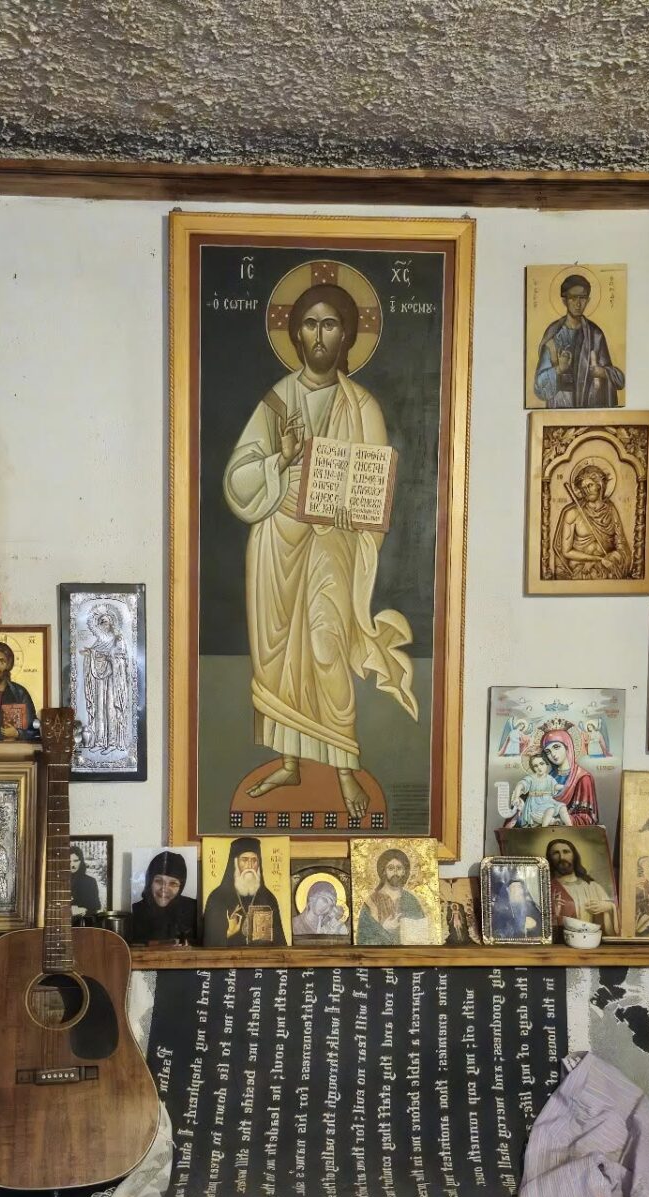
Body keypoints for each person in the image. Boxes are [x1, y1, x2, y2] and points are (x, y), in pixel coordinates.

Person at [224, 278, 416, 821]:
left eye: (330, 324)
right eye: (310, 324)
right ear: (296, 334)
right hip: (276, 542)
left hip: (333, 542)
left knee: (325, 646)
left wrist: (353, 515)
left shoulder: (362, 405)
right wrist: (281, 460)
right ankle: (289, 761)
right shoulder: (275, 400)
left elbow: (375, 484)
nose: (319, 335)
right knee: (279, 659)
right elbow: (238, 479)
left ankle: (345, 767)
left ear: (347, 335)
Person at [534, 273, 625, 407]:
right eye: (573, 298)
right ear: (564, 300)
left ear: (588, 300)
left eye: (582, 298)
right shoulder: (553, 335)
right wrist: (559, 369)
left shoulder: (596, 335)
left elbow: (619, 380)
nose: (578, 303)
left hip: (589, 403)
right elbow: (539, 386)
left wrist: (601, 372)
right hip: (561, 405)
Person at [551, 460, 633, 580]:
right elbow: (566, 552)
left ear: (599, 485)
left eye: (590, 485)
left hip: (608, 563)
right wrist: (597, 559)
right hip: (581, 566)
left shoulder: (611, 510)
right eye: (583, 488)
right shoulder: (573, 513)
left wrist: (613, 556)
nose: (586, 491)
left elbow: (621, 544)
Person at [202, 836, 286, 946]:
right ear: (235, 863)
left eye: (254, 860)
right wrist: (229, 933)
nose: (249, 866)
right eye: (244, 860)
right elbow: (209, 945)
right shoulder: (217, 897)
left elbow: (280, 944)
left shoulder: (268, 898)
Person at [77, 605, 133, 753]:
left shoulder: (118, 639)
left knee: (110, 709)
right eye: (101, 622)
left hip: (113, 679)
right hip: (99, 678)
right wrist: (90, 653)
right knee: (99, 709)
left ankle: (112, 743)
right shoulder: (99, 641)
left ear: (111, 623)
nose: (104, 625)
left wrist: (108, 656)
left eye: (106, 622)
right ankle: (100, 742)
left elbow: (121, 656)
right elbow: (94, 652)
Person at [542, 834, 620, 937]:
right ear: (550, 858)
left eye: (566, 852)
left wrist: (609, 907)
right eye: (556, 853)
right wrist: (553, 911)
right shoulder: (546, 887)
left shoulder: (592, 886)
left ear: (574, 855)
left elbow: (611, 931)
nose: (562, 857)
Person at [355, 847, 430, 944]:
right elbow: (362, 940)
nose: (395, 872)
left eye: (399, 868)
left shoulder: (411, 900)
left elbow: (421, 937)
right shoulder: (371, 902)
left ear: (404, 872)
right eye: (390, 868)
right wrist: (384, 928)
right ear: (384, 871)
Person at [129, 849, 198, 945]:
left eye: (173, 883)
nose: (164, 889)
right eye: (159, 881)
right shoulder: (135, 912)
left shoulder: (193, 910)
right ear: (150, 881)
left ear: (181, 887)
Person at [539, 726, 600, 827]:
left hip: (571, 832)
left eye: (556, 747)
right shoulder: (548, 778)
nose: (553, 754)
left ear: (567, 746)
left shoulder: (582, 778)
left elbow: (587, 818)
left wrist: (559, 820)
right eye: (548, 752)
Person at [507, 752, 575, 828]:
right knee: (550, 809)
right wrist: (516, 797)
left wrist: (565, 786)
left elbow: (555, 787)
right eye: (536, 766)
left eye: (541, 764)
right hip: (535, 803)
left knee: (562, 807)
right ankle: (544, 829)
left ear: (546, 764)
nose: (539, 767)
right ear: (533, 768)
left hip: (548, 800)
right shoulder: (531, 778)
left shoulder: (549, 778)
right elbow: (520, 785)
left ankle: (570, 827)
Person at [491, 873, 545, 941]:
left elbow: (542, 928)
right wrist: (516, 927)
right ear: (508, 891)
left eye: (519, 887)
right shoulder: (502, 909)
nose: (517, 891)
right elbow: (497, 933)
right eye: (513, 887)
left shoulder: (531, 907)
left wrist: (534, 926)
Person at [68, 845, 101, 919]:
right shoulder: (58, 881)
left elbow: (95, 907)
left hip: (83, 922)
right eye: (69, 861)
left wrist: (83, 910)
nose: (72, 865)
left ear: (81, 861)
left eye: (76, 861)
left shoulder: (90, 882)